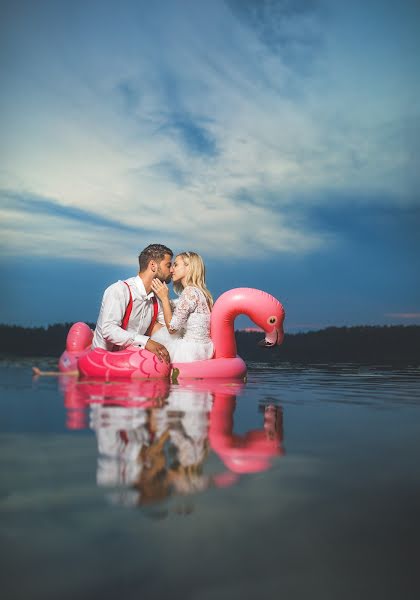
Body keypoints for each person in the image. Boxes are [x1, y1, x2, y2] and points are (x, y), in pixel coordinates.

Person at [92, 243, 173, 363]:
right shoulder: (119, 290)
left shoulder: (157, 300)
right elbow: (108, 330)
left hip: (131, 362)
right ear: (153, 265)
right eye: (168, 265)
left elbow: (167, 329)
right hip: (102, 362)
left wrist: (166, 299)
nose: (172, 270)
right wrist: (146, 342)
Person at [150, 251, 214, 363]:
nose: (171, 270)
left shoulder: (189, 291)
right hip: (204, 349)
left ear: (189, 267)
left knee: (154, 333)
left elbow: (172, 329)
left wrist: (164, 298)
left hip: (190, 351)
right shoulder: (200, 292)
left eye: (176, 264)